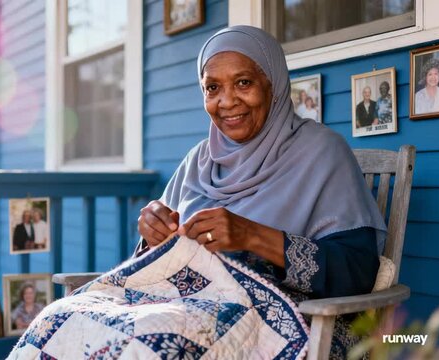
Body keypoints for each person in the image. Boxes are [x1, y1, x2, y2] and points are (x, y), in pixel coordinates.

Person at [133, 26, 385, 358]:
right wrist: (152, 236)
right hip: (186, 313)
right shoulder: (198, 160)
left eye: (243, 83)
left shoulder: (322, 152)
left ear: (274, 85)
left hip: (293, 326)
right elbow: (152, 264)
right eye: (212, 87)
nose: (226, 101)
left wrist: (252, 235)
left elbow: (357, 271)